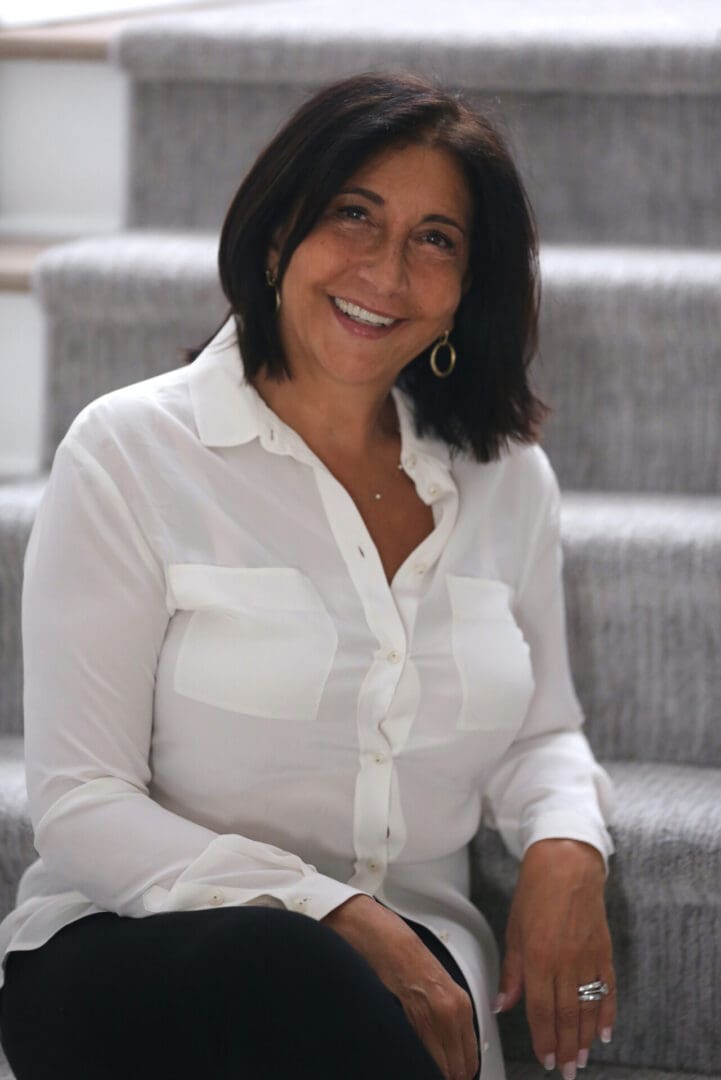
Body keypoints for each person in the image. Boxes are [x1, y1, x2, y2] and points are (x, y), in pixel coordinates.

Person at [0, 71, 616, 1080]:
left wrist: (565, 845)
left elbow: (541, 730)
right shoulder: (129, 452)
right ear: (279, 230)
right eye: (353, 216)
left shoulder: (507, 482)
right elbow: (78, 804)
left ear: (468, 288)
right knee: (284, 965)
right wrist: (336, 912)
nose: (385, 269)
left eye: (435, 240)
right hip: (141, 946)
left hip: (406, 973)